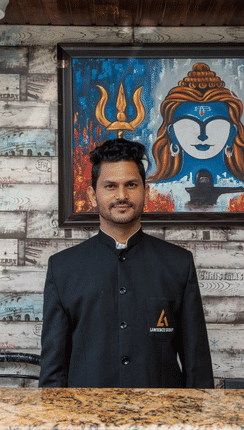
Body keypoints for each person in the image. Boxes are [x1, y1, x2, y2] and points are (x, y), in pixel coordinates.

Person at [39, 138, 214, 388]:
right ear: (92, 194)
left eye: (131, 185)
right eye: (110, 186)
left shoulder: (178, 264)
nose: (122, 195)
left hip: (161, 419)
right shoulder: (63, 268)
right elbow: (53, 371)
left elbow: (197, 365)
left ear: (146, 191)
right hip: (86, 418)